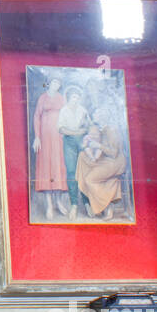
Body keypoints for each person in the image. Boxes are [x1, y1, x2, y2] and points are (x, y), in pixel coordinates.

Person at [32, 76, 68, 218]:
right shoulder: (42, 98)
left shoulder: (61, 98)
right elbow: (36, 116)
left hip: (58, 136)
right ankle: (49, 205)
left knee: (58, 167)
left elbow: (65, 116)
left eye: (58, 83)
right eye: (54, 82)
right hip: (45, 137)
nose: (56, 85)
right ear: (49, 83)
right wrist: (37, 137)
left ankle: (58, 202)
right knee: (46, 168)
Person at [56, 85, 91, 219]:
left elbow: (89, 126)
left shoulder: (83, 110)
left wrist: (84, 129)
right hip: (69, 142)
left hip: (81, 142)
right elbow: (61, 129)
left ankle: (87, 202)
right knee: (71, 172)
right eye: (73, 97)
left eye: (77, 97)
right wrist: (75, 132)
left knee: (84, 171)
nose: (75, 100)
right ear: (68, 97)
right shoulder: (64, 110)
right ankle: (74, 204)